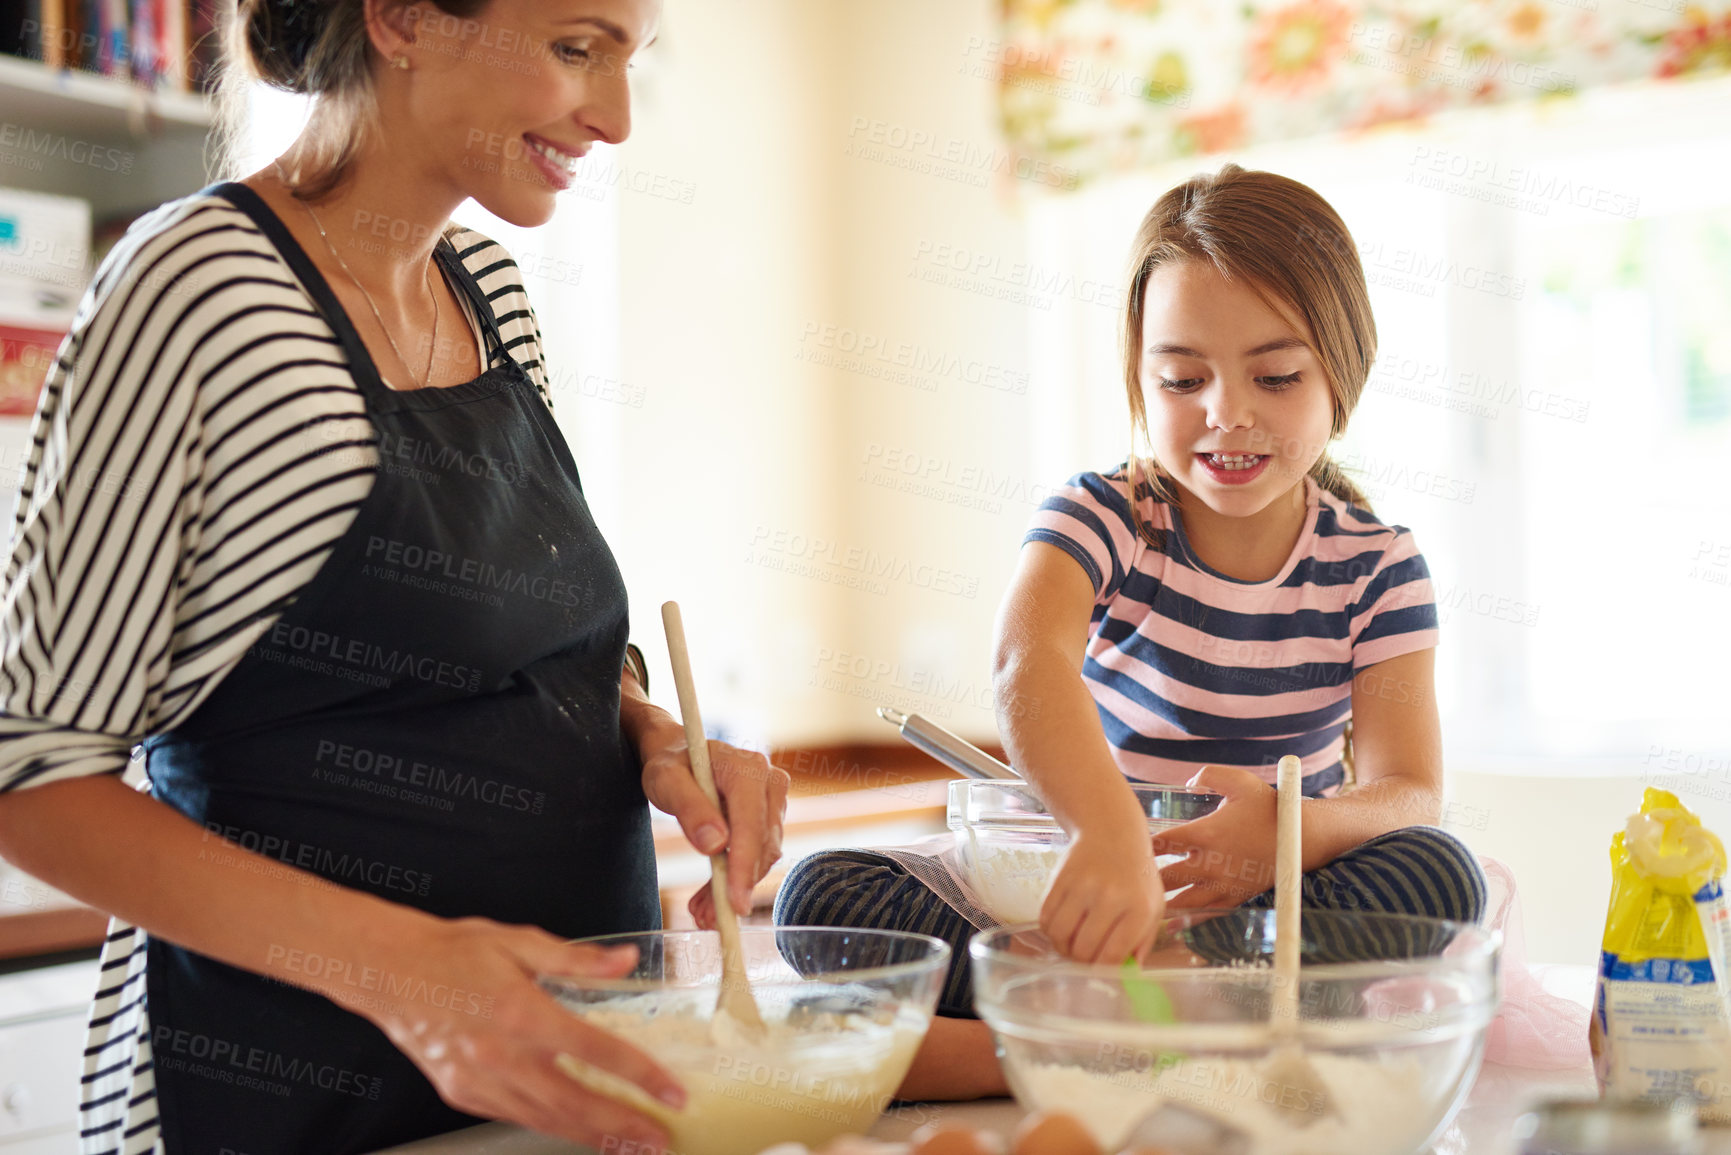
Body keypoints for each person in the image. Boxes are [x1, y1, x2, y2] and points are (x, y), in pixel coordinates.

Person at [0, 1, 791, 1152]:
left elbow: (518, 659)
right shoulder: (196, 294)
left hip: (558, 1082)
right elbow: (32, 771)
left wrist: (655, 738)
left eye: (631, 60)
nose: (615, 120)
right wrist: (416, 974)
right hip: (287, 1098)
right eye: (578, 49)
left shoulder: (488, 288)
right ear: (404, 19)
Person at [775, 163, 1487, 1100]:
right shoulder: (1102, 513)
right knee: (818, 893)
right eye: (1182, 377)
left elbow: (1407, 793)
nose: (1225, 412)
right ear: (1138, 382)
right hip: (1085, 896)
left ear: (1339, 376)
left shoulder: (1377, 564)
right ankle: (1179, 1025)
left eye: (1273, 375)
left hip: (1262, 913)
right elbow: (1027, 664)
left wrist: (1283, 829)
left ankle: (1061, 1031)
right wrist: (1108, 836)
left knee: (1440, 873)